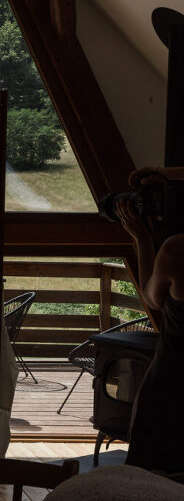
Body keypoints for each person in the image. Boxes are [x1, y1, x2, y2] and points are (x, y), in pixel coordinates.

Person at [116, 167, 184, 474]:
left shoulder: (176, 250)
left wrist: (142, 238)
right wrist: (166, 174)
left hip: (171, 384)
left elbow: (153, 300)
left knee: (150, 478)